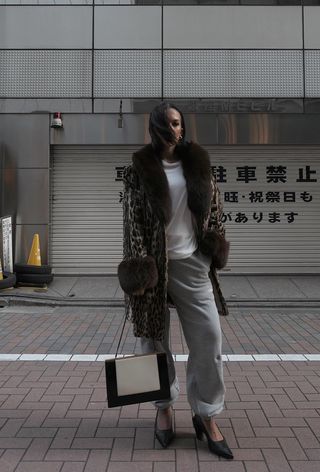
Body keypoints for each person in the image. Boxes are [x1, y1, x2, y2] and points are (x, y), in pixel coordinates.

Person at [117, 102, 233, 460]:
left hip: (193, 263)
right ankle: (163, 408)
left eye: (179, 122)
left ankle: (206, 413)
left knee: (209, 337)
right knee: (152, 343)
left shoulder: (198, 162)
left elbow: (215, 211)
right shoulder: (138, 168)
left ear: (184, 127)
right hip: (154, 265)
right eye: (168, 123)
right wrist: (139, 268)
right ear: (155, 127)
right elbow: (132, 222)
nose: (175, 128)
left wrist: (214, 246)